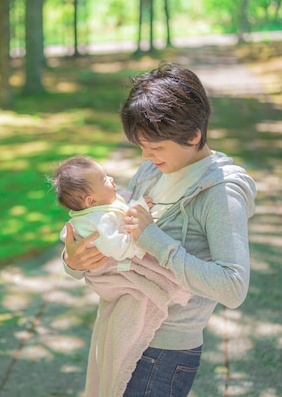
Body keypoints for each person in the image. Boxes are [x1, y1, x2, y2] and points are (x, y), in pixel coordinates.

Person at [62, 61, 257, 397]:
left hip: (163, 353)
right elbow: (117, 233)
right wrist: (74, 262)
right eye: (141, 146)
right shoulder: (152, 172)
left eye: (155, 147)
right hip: (122, 332)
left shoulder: (222, 194)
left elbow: (233, 287)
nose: (145, 155)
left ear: (193, 135)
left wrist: (156, 241)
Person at [52, 155, 192, 397]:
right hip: (112, 271)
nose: (112, 179)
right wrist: (139, 243)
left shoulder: (102, 206)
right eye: (105, 179)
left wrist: (141, 205)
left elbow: (123, 209)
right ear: (90, 200)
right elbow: (115, 246)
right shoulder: (100, 220)